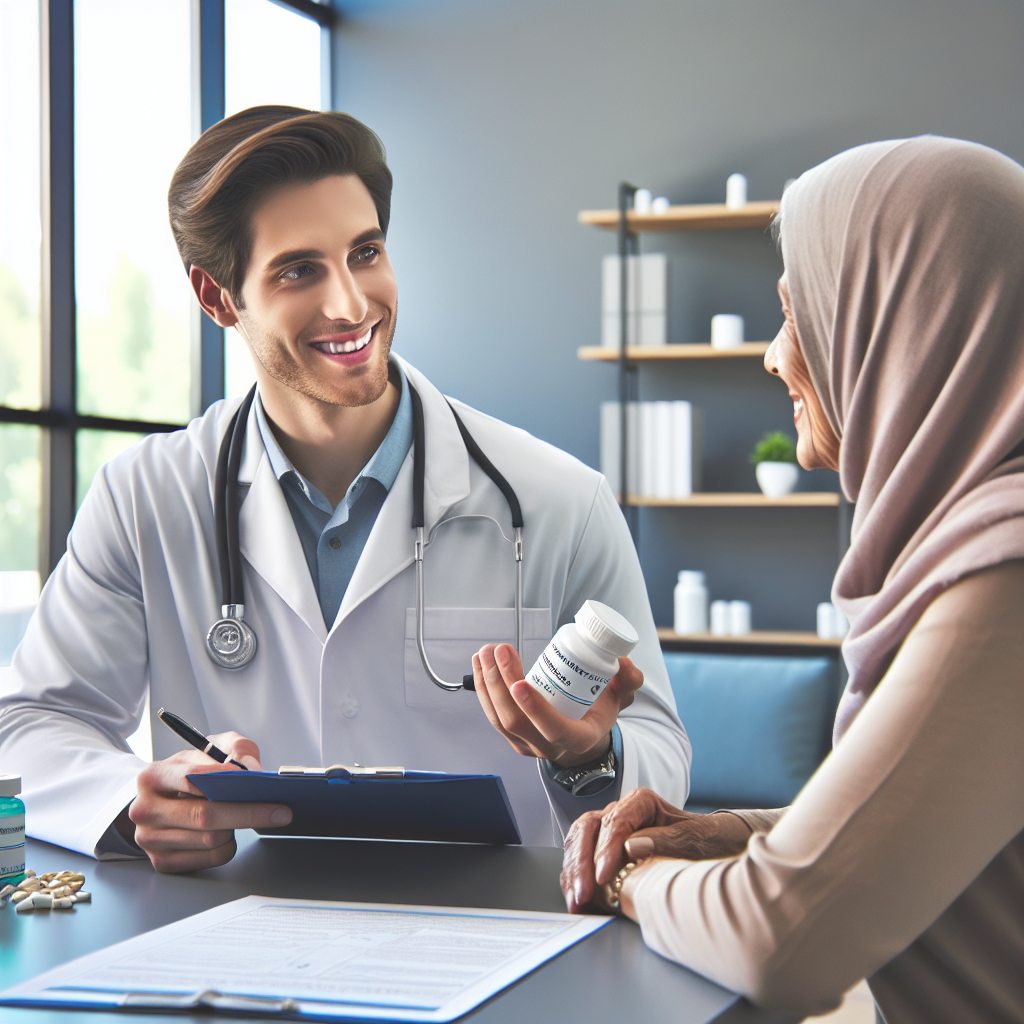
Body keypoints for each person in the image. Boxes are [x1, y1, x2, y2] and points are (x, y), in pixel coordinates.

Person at [0, 107, 690, 872]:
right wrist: (136, 802)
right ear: (218, 297)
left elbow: (660, 749)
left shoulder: (559, 499)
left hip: (495, 938)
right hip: (231, 941)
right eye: (299, 270)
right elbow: (31, 722)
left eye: (365, 253)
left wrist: (590, 754)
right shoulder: (143, 498)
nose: (352, 304)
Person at [560, 136, 1024, 1023]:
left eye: (798, 313)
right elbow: (926, 836)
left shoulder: (1004, 575)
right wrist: (721, 836)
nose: (774, 357)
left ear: (906, 325)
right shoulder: (974, 545)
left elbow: (782, 942)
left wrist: (635, 878)